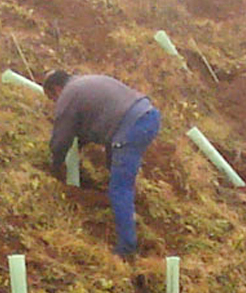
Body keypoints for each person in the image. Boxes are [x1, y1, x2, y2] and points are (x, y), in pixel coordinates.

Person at [43, 70, 161, 257]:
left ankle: (126, 249)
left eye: (52, 98)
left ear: (56, 89)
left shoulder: (68, 95)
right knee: (115, 166)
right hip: (148, 116)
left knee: (119, 188)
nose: (55, 103)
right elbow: (98, 120)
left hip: (131, 126)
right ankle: (129, 209)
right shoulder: (85, 82)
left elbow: (61, 138)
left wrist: (56, 165)